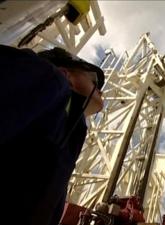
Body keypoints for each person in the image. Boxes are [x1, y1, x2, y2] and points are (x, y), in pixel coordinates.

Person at [0, 45, 104, 225]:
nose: (101, 90)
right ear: (66, 73)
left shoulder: (71, 130)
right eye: (94, 81)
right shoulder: (46, 77)